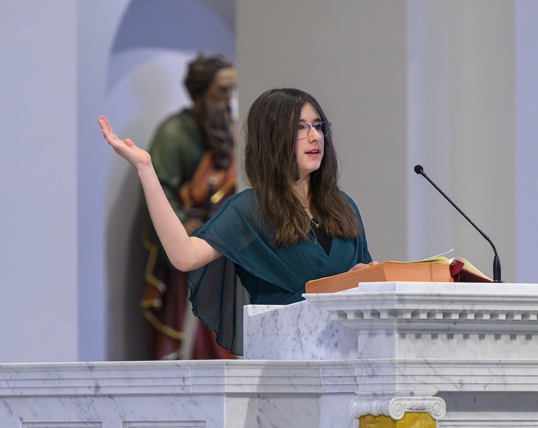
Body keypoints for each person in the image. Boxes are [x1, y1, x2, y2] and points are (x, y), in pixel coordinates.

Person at [100, 88, 376, 355]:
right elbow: (184, 256)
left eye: (318, 125)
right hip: (286, 360)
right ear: (273, 138)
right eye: (301, 127)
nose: (315, 136)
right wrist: (146, 169)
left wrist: (372, 276)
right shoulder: (250, 210)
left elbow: (365, 279)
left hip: (352, 357)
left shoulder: (343, 207)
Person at [139, 53, 238, 361]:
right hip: (192, 248)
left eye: (232, 90)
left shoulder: (227, 131)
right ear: (201, 92)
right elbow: (159, 193)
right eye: (222, 90)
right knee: (194, 342)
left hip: (222, 249)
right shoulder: (174, 133)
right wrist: (185, 227)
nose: (228, 99)